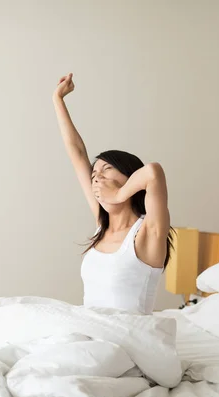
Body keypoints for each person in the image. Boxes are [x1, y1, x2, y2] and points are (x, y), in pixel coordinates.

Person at [53, 73, 174, 315]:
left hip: (129, 340)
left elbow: (152, 172)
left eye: (108, 169)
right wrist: (58, 99)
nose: (97, 177)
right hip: (93, 331)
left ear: (130, 178)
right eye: (95, 173)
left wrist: (118, 195)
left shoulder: (148, 232)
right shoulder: (102, 224)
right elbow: (76, 152)